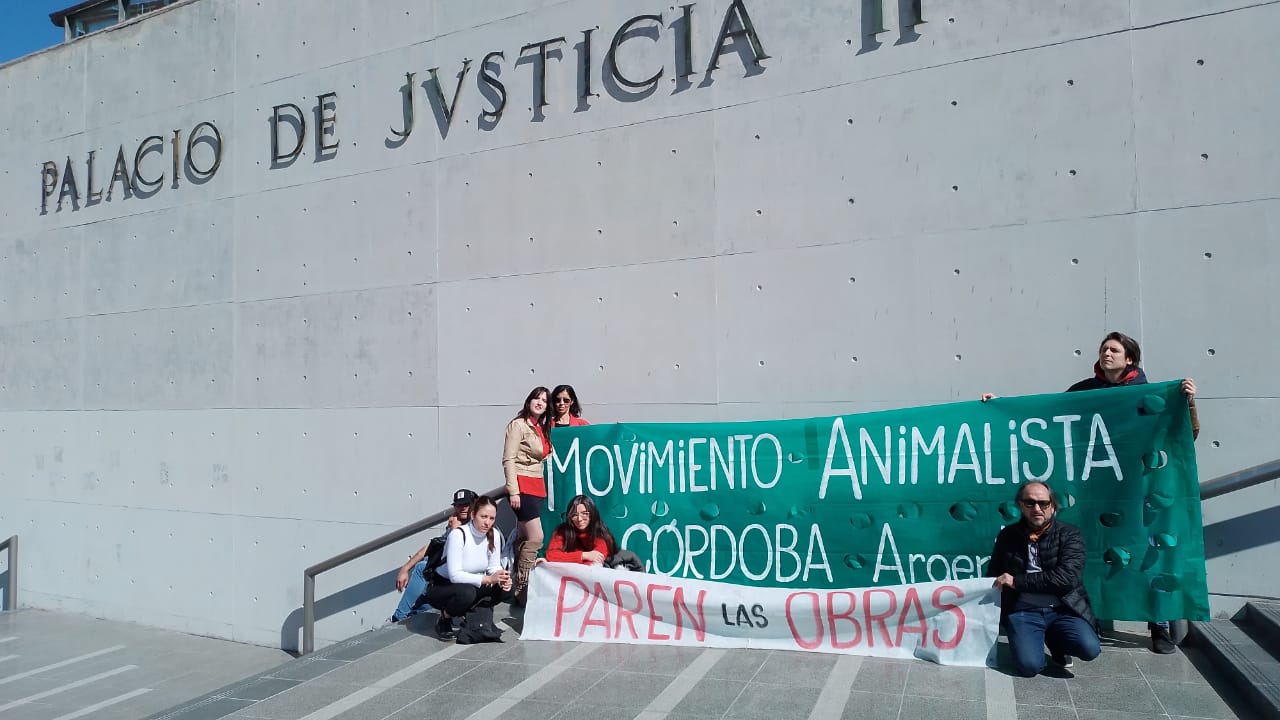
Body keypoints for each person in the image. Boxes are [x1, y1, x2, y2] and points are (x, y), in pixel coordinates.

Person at [982, 330, 1200, 654]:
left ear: (1130, 359)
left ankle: (1158, 625)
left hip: (1136, 490)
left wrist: (1188, 402)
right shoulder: (1084, 391)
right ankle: (1076, 618)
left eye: (1114, 350)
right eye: (1103, 349)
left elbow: (1185, 435)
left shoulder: (1152, 396)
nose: (1106, 354)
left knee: (1145, 554)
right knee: (1090, 551)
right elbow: (1046, 412)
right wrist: (1002, 406)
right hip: (1094, 488)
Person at [989, 481, 1101, 677]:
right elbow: (993, 573)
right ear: (1021, 505)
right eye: (1030, 503)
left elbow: (1067, 578)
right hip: (1023, 610)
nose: (1037, 509)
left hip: (1063, 609)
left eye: (1043, 503)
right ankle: (1035, 639)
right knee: (1029, 667)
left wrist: (1017, 582)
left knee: (1089, 649)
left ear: (1053, 505)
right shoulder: (1007, 535)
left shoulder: (1070, 534)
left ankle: (1056, 639)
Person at [423, 495, 512, 639]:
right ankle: (445, 617)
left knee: (506, 590)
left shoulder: (494, 534)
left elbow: (493, 566)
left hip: (472, 583)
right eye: (483, 517)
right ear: (473, 515)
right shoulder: (458, 535)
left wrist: (502, 577)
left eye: (491, 518)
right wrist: (489, 579)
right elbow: (455, 575)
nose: (487, 522)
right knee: (467, 593)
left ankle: (473, 613)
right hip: (444, 586)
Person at [390, 488, 478, 623]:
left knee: (422, 569)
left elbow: (461, 556)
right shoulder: (457, 523)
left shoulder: (475, 526)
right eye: (459, 505)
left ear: (474, 505)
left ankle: (399, 617)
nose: (462, 508)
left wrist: (454, 531)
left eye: (466, 504)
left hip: (466, 578)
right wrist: (405, 568)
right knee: (428, 577)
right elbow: (432, 547)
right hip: (448, 575)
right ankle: (411, 615)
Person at [503, 386, 551, 602]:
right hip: (522, 486)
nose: (540, 402)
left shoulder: (540, 427)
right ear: (529, 401)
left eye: (544, 400)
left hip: (537, 485)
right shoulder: (518, 425)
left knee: (524, 537)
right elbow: (509, 459)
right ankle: (523, 586)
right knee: (537, 536)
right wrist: (514, 491)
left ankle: (517, 581)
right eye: (536, 398)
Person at [543, 494, 616, 565]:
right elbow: (551, 556)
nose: (579, 519)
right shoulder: (562, 531)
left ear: (592, 514)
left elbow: (594, 562)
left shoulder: (601, 534)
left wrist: (565, 558)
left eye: (584, 513)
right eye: (574, 515)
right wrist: (583, 555)